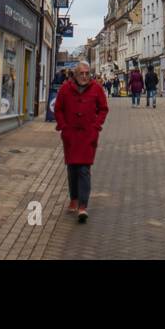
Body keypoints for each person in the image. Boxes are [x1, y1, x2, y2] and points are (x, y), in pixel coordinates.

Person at [53, 60, 108, 224]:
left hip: (88, 136)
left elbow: (103, 109)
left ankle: (83, 206)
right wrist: (63, 126)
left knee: (84, 169)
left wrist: (96, 126)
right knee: (72, 169)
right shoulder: (65, 89)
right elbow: (58, 109)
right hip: (70, 135)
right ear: (75, 75)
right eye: (81, 73)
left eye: (87, 73)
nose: (84, 76)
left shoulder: (96, 88)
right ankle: (74, 198)